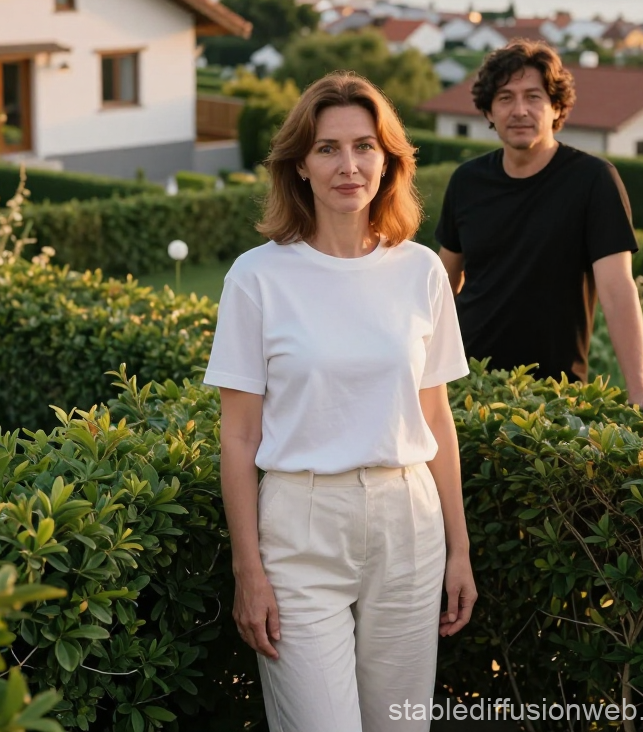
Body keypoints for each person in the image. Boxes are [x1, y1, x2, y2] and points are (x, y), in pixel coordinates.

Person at [204, 72, 477, 732]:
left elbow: (435, 417)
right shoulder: (257, 278)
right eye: (328, 148)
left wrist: (460, 551)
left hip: (409, 523)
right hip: (300, 524)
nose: (348, 165)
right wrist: (249, 571)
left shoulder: (421, 273)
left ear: (388, 161)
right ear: (300, 163)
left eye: (364, 146)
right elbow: (239, 439)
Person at [435, 39, 643, 417]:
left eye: (533, 96)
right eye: (505, 98)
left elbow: (617, 288)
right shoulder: (467, 181)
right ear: (489, 110)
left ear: (556, 107)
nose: (519, 110)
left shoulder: (594, 180)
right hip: (469, 384)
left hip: (553, 395)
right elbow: (442, 285)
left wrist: (640, 388)